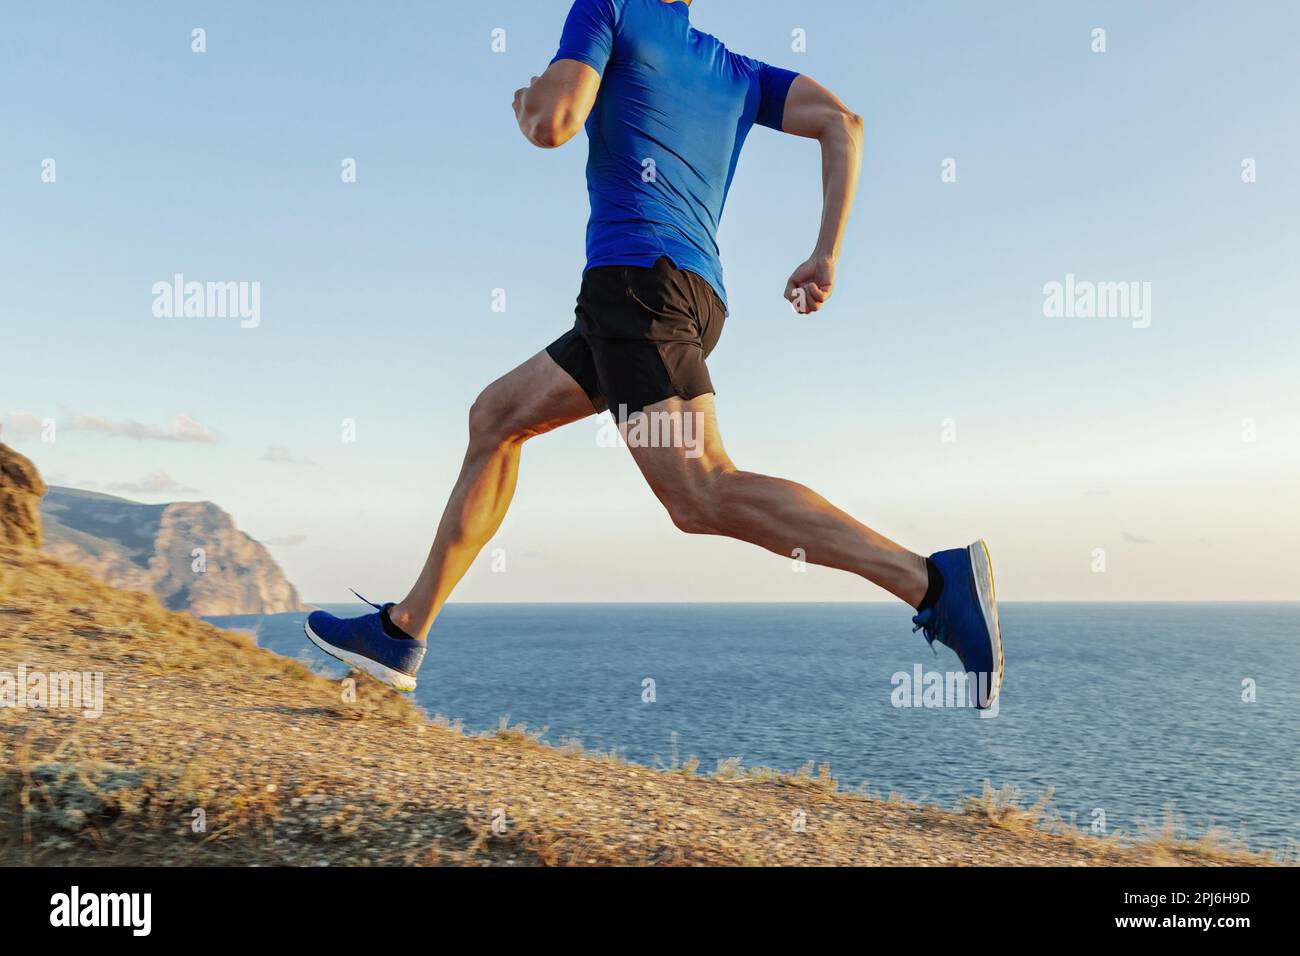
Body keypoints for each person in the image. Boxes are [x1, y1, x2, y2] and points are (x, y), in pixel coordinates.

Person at [305, 0, 1003, 709]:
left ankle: (931, 583)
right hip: (685, 297)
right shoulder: (736, 71)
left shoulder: (607, 9)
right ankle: (402, 632)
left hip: (636, 292)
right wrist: (826, 253)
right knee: (497, 416)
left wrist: (530, 99)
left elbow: (553, 123)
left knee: (700, 490)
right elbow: (843, 124)